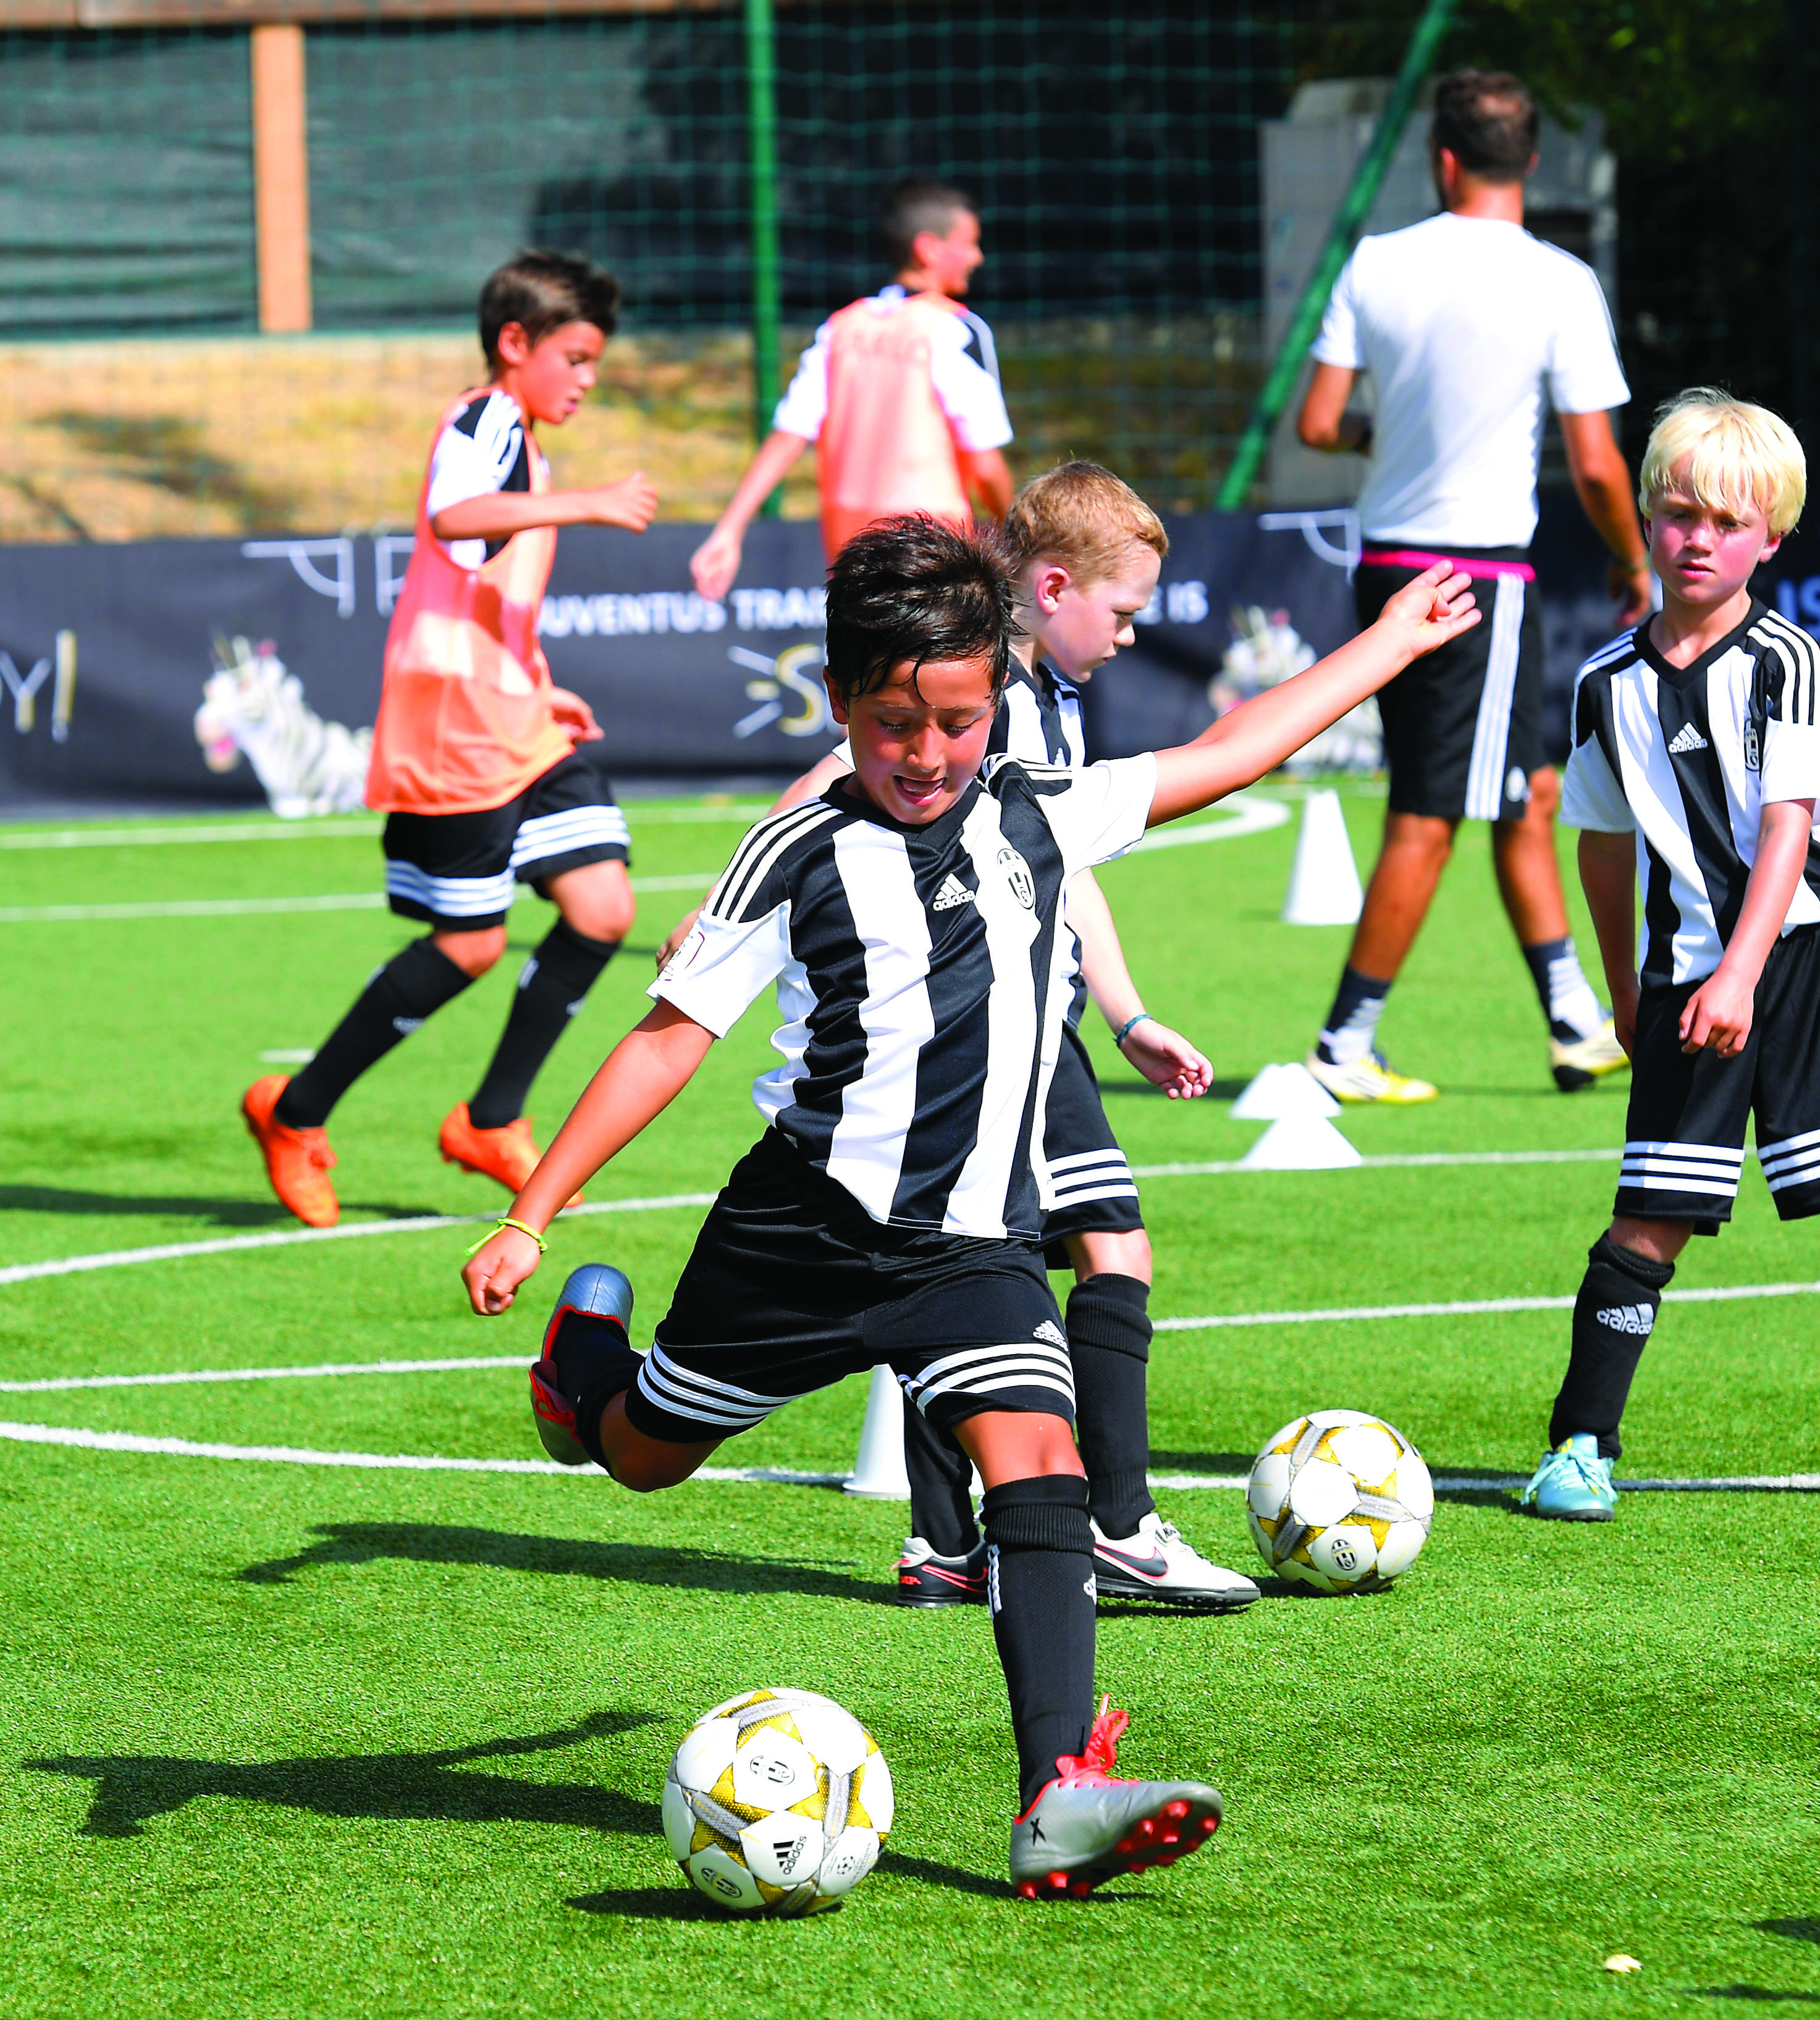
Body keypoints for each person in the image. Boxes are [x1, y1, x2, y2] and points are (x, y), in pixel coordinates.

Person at [461, 516, 1477, 1894]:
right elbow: (664, 1037)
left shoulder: (1042, 810)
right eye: (891, 725)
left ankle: (1057, 1794)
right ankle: (583, 1373)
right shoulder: (794, 854)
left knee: (1038, 1465)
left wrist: (1385, 646)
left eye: (954, 719)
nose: (926, 753)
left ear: (995, 696)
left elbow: (1227, 753)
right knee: (637, 1456)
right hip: (801, 1238)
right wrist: (535, 1212)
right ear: (839, 704)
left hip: (974, 1253)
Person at [704, 463, 1260, 1612]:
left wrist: (1131, 1013)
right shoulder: (982, 686)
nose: (1128, 636)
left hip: (1034, 1022)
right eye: (1121, 612)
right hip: (990, 1035)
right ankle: (1118, 1522)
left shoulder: (1035, 699)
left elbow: (1056, 870)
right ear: (1052, 589)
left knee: (951, 1265)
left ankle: (947, 1543)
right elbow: (833, 777)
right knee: (1104, 1246)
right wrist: (727, 910)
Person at [1516, 389, 1820, 1521]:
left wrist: (1742, 972)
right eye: (1679, 513)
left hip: (1814, 952)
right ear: (1645, 515)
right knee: (1655, 1214)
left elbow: (1788, 826)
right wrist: (1627, 985)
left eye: (1728, 523)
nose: (1698, 538)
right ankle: (1579, 1447)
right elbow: (1596, 842)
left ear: (1770, 540)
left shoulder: (1788, 661)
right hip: (1687, 967)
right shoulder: (1603, 685)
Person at [241, 250, 657, 1228]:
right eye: (576, 357)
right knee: (469, 944)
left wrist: (546, 688)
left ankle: (489, 1117)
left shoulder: (525, 438)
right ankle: (293, 1113)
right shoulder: (483, 419)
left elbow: (491, 589)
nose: (587, 380)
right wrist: (589, 502)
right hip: (452, 726)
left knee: (602, 909)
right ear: (516, 345)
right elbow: (452, 518)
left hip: (516, 714)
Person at [1294, 68, 1652, 1106]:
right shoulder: (1558, 281)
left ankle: (1577, 1024)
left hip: (1389, 567)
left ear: (1441, 161)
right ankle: (1343, 1044)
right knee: (1430, 815)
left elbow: (1318, 425)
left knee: (1526, 795)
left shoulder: (1376, 262)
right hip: (1477, 579)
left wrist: (1388, 434)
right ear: (1529, 162)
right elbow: (1594, 464)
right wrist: (1634, 565)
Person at [691, 176, 1014, 595]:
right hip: (935, 554)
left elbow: (789, 434)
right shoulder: (956, 330)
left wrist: (729, 530)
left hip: (851, 555)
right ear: (929, 248)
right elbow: (986, 465)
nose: (977, 257)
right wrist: (1011, 532)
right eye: (969, 243)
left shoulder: (841, 328)